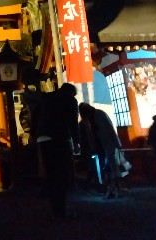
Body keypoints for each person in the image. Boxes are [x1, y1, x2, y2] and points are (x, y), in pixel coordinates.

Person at [36, 82, 79, 219]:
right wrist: (77, 141)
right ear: (71, 92)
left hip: (42, 137)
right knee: (62, 173)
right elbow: (73, 122)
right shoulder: (70, 100)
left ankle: (55, 208)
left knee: (51, 173)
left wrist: (34, 134)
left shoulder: (46, 98)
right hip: (58, 137)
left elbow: (36, 116)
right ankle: (61, 211)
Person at [79, 102, 129, 199]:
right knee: (112, 167)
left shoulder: (97, 116)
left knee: (113, 167)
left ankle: (114, 188)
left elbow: (105, 132)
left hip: (107, 144)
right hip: (104, 146)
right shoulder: (97, 115)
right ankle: (114, 188)